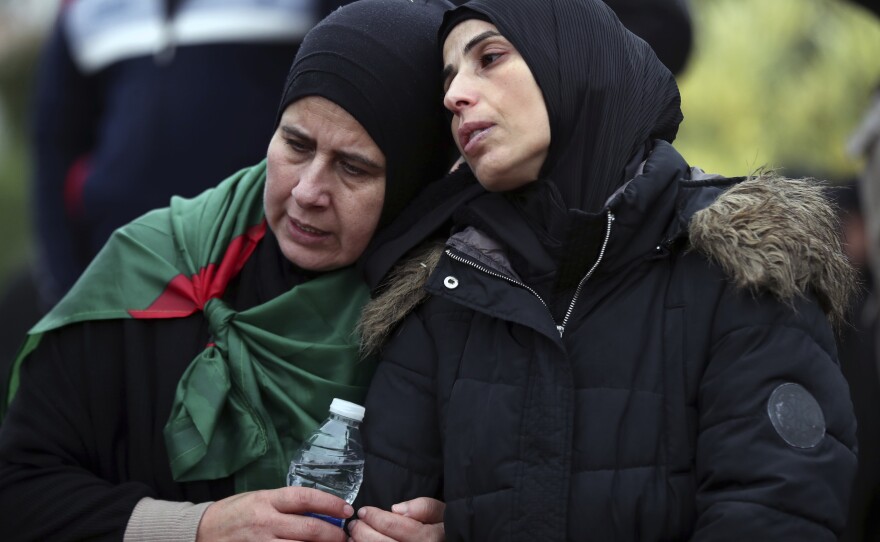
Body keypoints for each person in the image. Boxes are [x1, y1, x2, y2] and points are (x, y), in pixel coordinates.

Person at [348, 0, 859, 540]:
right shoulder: (444, 292)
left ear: (574, 62)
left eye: (490, 58)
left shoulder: (741, 270)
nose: (454, 95)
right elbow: (382, 516)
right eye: (448, 79)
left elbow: (775, 516)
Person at [0, 0, 454, 540]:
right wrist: (193, 527)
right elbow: (20, 490)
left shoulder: (461, 303)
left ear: (415, 183)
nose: (308, 192)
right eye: (295, 143)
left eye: (354, 168)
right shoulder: (153, 270)